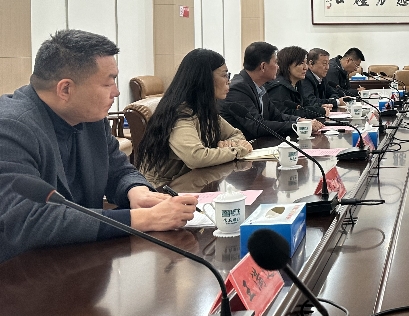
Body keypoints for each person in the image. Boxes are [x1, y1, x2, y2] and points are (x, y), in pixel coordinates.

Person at [0, 30, 197, 262]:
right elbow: (27, 220)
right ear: (66, 89)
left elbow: (119, 170)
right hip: (23, 270)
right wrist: (145, 219)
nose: (117, 91)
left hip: (82, 259)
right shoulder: (10, 128)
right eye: (108, 82)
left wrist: (136, 191)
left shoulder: (90, 118)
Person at [136, 49, 253, 188]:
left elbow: (236, 134)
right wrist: (237, 150)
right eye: (224, 75)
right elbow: (196, 157)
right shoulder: (179, 114)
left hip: (193, 183)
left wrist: (230, 144)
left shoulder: (203, 110)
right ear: (204, 79)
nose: (229, 81)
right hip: (163, 189)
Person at [220, 41, 307, 139]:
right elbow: (257, 126)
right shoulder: (238, 89)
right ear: (263, 66)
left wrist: (299, 120)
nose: (278, 67)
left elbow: (276, 116)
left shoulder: (260, 86)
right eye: (276, 62)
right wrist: (296, 126)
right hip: (242, 145)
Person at [266, 46, 328, 121]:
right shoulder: (279, 87)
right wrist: (319, 111)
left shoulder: (297, 83)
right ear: (288, 65)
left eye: (306, 63)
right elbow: (285, 114)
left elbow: (306, 106)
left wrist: (319, 107)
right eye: (301, 63)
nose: (306, 68)